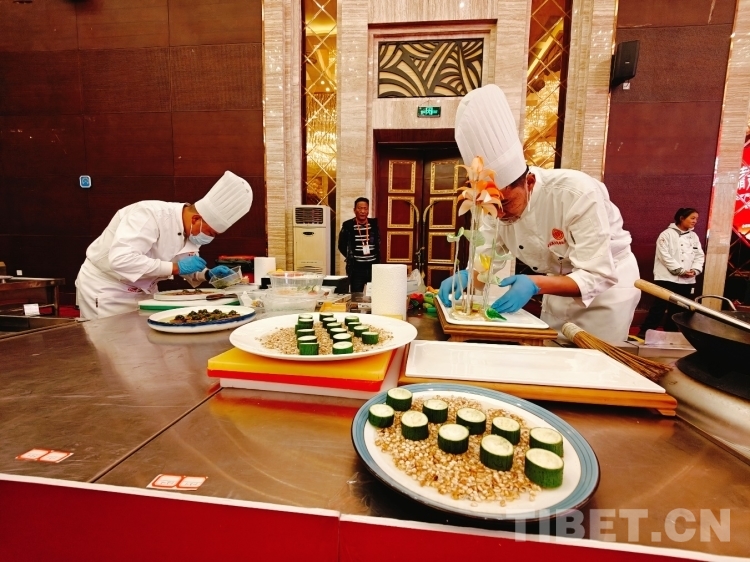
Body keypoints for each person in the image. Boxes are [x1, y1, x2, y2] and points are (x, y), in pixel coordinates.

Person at [438, 84, 641, 341]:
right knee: (552, 351)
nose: (499, 215)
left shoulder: (576, 193)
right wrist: (467, 278)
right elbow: (484, 264)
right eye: (490, 208)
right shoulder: (495, 210)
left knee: (595, 360)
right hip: (556, 287)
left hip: (607, 294)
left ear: (529, 182)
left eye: (505, 203)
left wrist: (535, 284)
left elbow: (597, 273)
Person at [75, 171, 253, 320]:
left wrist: (206, 274)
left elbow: (185, 264)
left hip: (145, 290)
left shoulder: (190, 231)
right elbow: (122, 260)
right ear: (196, 219)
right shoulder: (149, 214)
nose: (209, 238)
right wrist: (175, 268)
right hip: (108, 288)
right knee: (109, 345)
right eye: (211, 233)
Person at [637, 208, 705, 338]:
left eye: (696, 219)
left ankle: (671, 333)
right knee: (659, 306)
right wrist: (680, 270)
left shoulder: (694, 236)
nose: (695, 221)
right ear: (681, 218)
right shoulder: (666, 234)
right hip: (666, 278)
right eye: (692, 218)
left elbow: (699, 255)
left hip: (687, 279)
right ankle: (644, 332)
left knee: (679, 308)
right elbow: (664, 256)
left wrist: (695, 270)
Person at [338, 197, 381, 293]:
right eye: (360, 208)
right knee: (356, 295)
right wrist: (350, 256)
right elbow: (341, 245)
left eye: (365, 208)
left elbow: (379, 242)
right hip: (356, 268)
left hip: (373, 267)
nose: (362, 211)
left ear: (368, 210)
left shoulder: (374, 224)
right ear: (354, 210)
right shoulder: (348, 225)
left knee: (374, 294)